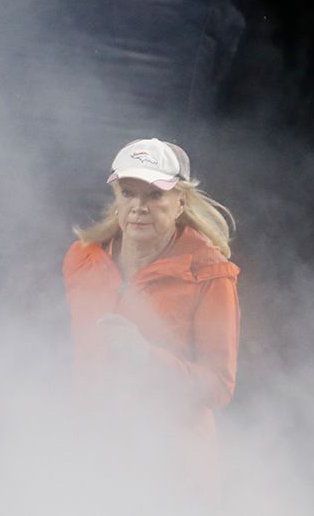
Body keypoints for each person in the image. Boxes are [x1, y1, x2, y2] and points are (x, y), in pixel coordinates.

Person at [63, 138, 240, 440]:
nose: (139, 207)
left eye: (155, 195)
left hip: (170, 466)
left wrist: (146, 356)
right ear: (116, 197)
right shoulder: (82, 259)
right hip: (91, 453)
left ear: (180, 203)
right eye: (128, 193)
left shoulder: (209, 274)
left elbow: (219, 387)